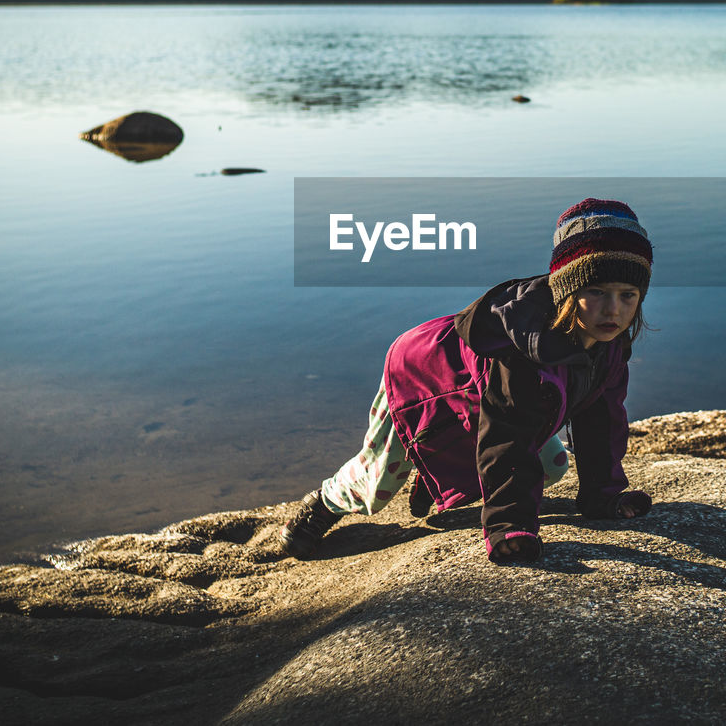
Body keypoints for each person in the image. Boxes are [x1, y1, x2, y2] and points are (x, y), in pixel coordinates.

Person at [279, 198, 654, 564]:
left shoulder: (610, 345)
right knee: (379, 482)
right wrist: (509, 526)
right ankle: (323, 504)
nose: (613, 310)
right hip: (422, 377)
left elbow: (601, 421)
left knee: (553, 467)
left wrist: (602, 498)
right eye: (596, 292)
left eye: (628, 295)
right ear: (567, 289)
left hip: (479, 397)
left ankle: (432, 476)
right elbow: (507, 440)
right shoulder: (523, 351)